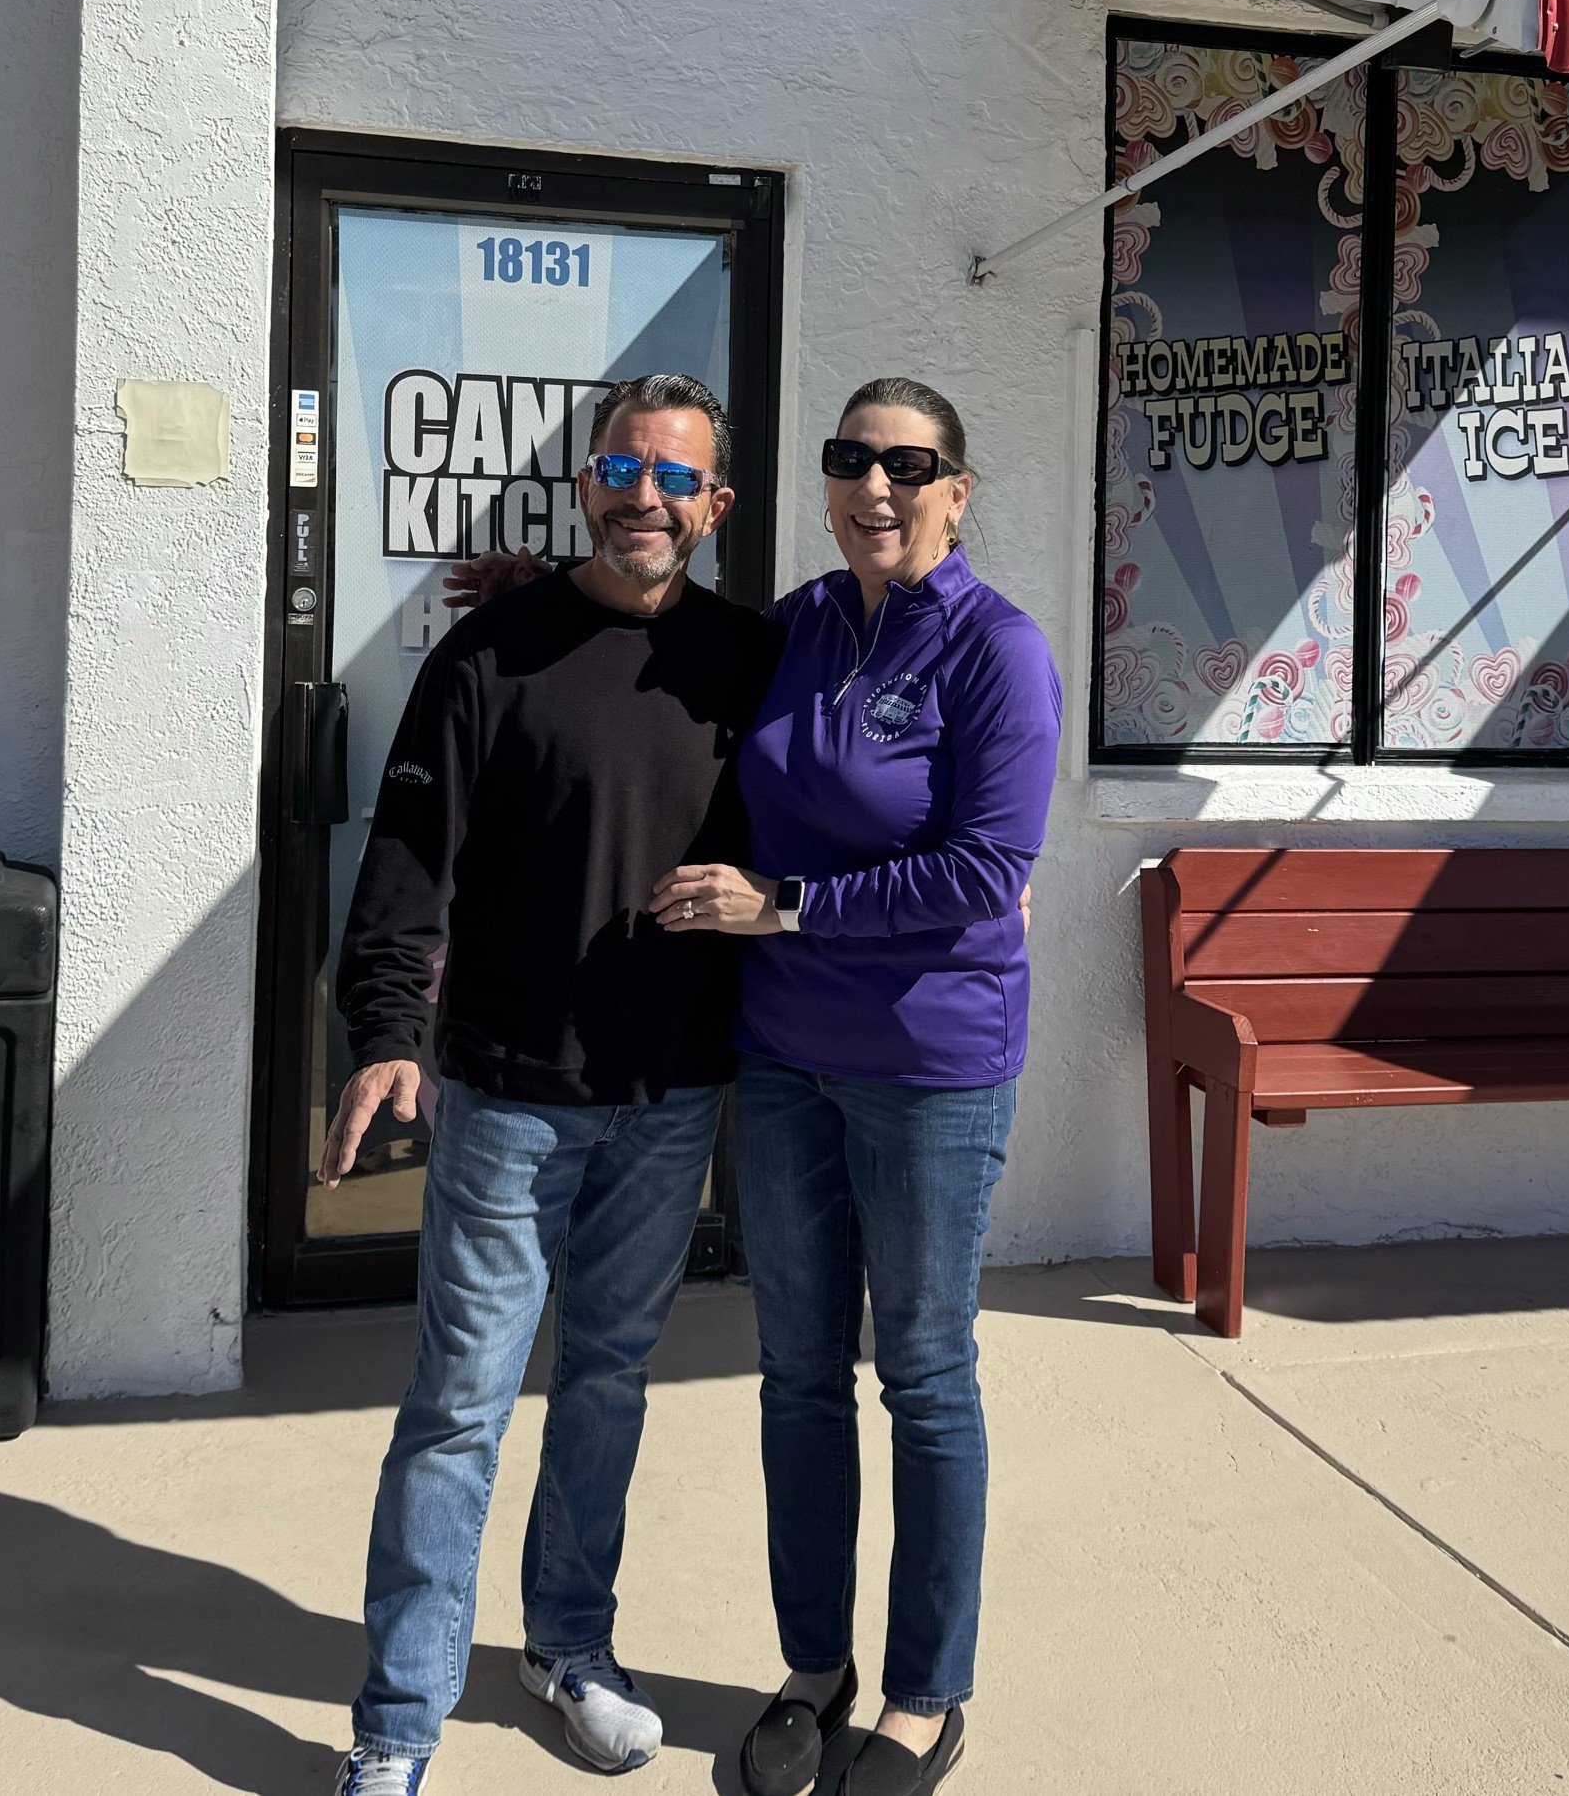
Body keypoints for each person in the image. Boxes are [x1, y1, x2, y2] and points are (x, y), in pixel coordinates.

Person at [325, 372, 779, 1796]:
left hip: (669, 1093)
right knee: (460, 1403)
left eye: (673, 476)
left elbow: (857, 785)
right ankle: (396, 1725)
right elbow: (409, 863)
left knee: (605, 1386)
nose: (644, 495)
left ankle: (569, 1647)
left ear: (715, 503)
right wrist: (386, 1031)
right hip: (509, 1097)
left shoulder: (752, 663)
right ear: (587, 483)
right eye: (619, 468)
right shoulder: (491, 652)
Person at [648, 379, 1062, 1796]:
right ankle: (813, 1669)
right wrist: (542, 594)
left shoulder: (998, 650)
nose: (874, 487)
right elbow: (668, 666)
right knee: (797, 1376)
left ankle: (926, 1694)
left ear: (957, 490)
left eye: (908, 465)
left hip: (929, 1066)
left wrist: (787, 906)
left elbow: (987, 871)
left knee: (927, 1374)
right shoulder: (802, 625)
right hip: (784, 1060)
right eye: (850, 461)